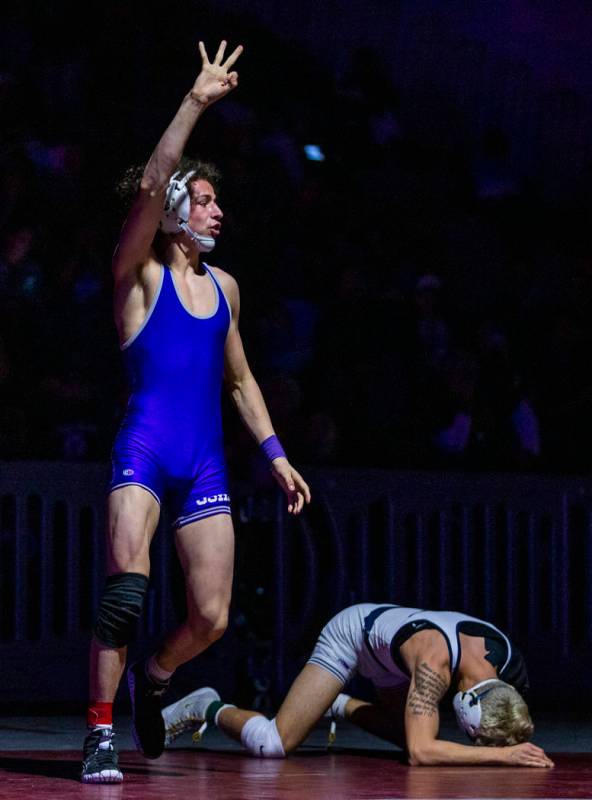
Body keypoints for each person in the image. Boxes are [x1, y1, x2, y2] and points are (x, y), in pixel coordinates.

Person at [81, 40, 311, 784]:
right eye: (205, 199)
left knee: (210, 617)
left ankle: (155, 674)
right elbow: (150, 185)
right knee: (125, 593)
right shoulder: (138, 274)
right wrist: (194, 103)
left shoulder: (228, 289)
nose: (219, 210)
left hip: (205, 458)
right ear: (176, 213)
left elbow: (241, 382)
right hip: (145, 451)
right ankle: (99, 733)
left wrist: (277, 456)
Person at [162, 603, 553, 768]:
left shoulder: (508, 664)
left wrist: (511, 744)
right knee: (272, 743)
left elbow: (510, 717)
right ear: (464, 706)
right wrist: (501, 757)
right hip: (352, 635)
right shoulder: (433, 663)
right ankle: (205, 706)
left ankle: (338, 704)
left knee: (416, 734)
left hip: (394, 654)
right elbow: (420, 753)